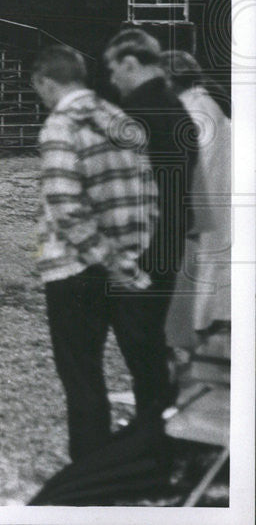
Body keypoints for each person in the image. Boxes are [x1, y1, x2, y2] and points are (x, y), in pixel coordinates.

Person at [31, 44, 158, 461]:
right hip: (126, 261)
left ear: (46, 82)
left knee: (83, 376)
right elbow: (149, 195)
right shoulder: (120, 118)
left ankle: (90, 472)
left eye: (40, 90)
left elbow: (66, 206)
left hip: (75, 268)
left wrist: (105, 257)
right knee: (146, 368)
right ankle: (150, 458)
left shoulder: (60, 125)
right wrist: (130, 256)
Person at [103, 29, 198, 417]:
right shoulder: (177, 109)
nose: (112, 80)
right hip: (169, 243)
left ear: (130, 62)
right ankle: (158, 422)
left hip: (138, 247)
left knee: (140, 345)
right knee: (152, 343)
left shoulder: (138, 115)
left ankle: (151, 437)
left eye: (114, 69)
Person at [160, 50, 231, 350]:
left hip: (201, 214)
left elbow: (187, 171)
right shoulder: (204, 105)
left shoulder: (193, 111)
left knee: (198, 281)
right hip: (214, 211)